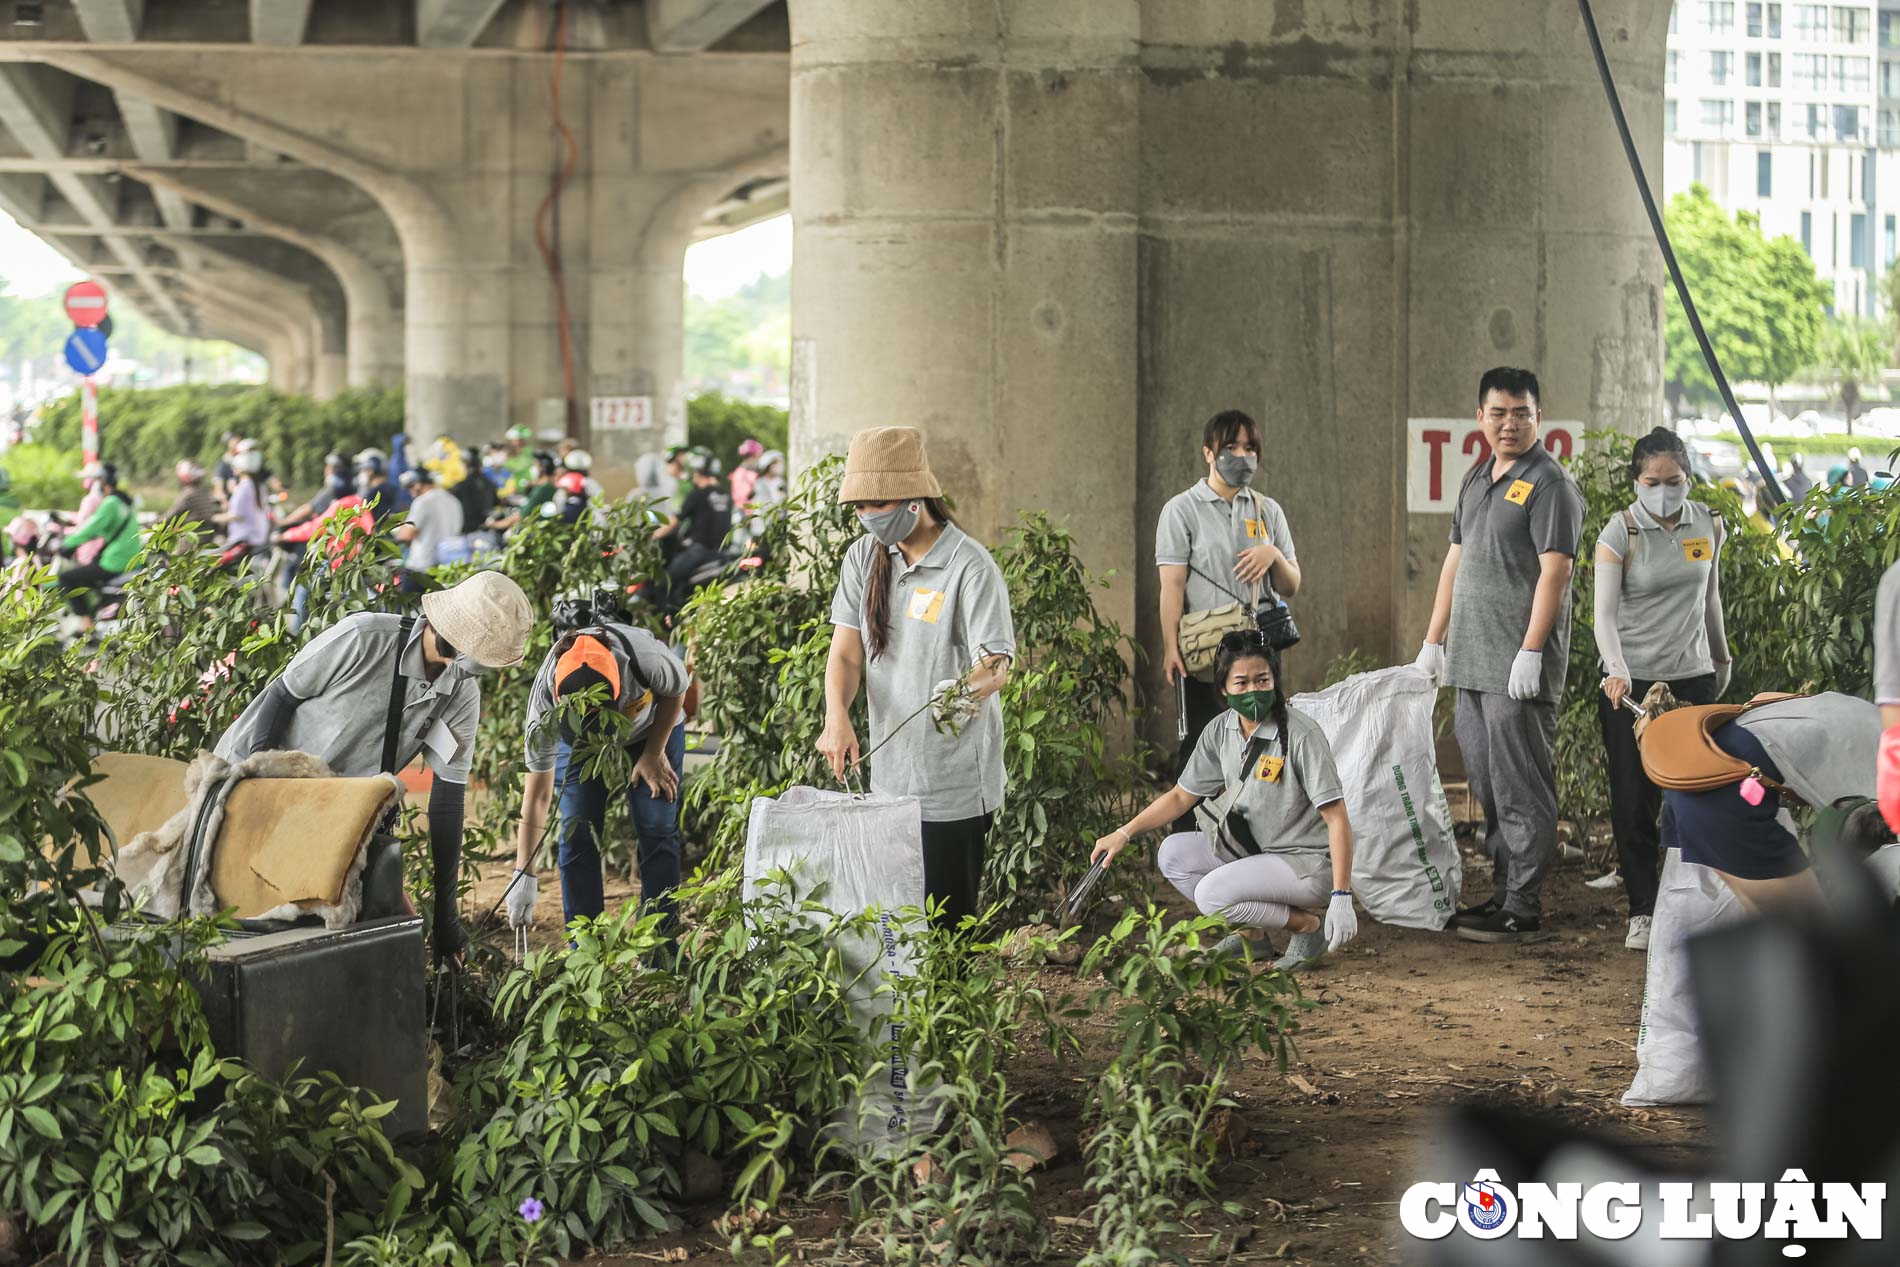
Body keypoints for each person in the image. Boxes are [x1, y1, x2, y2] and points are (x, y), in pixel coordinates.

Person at [213, 571, 534, 959]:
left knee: (349, 932)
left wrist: (447, 918)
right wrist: (260, 788)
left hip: (329, 814)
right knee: (248, 926)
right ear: (454, 637)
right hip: (255, 783)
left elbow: (447, 802)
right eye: (480, 656)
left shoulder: (461, 693)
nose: (478, 669)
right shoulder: (363, 638)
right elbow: (282, 696)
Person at [818, 426, 1017, 929]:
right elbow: (845, 653)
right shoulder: (864, 558)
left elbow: (997, 665)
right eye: (859, 507)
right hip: (889, 780)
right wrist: (836, 717)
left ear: (915, 497)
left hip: (951, 783)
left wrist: (958, 694)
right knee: (896, 923)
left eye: (877, 503)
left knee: (949, 927)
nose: (867, 517)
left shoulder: (969, 567)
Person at [1415, 367, 1584, 944]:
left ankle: (1525, 905)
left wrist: (1531, 651)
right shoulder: (1476, 477)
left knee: (1521, 787)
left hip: (1518, 667)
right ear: (1480, 418)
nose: (1509, 423)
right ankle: (1506, 891)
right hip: (1471, 661)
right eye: (1498, 412)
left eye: (1521, 413)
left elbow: (1555, 572)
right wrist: (1433, 641)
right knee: (1487, 786)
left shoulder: (1550, 485)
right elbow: (1454, 563)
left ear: (1540, 418)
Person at [1090, 632, 1358, 970]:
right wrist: (1124, 833)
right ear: (1223, 689)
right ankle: (1252, 937)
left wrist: (1341, 896)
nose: (1253, 691)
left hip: (1308, 864)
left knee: (1211, 895)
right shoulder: (1220, 730)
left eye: (1262, 680)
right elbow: (1180, 796)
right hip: (1257, 851)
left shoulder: (1302, 735)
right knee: (1173, 855)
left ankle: (1307, 928)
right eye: (1241, 683)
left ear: (1275, 680)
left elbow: (1337, 819)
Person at [1591, 427, 1732, 951]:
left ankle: (1695, 897)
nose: (1664, 490)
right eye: (1653, 481)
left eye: (1674, 480)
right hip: (1630, 683)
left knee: (1695, 791)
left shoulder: (1708, 523)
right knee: (1633, 797)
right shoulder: (1619, 533)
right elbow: (1603, 617)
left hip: (1692, 674)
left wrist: (1720, 657)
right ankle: (1643, 909)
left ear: (1689, 478)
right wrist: (1617, 666)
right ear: (1636, 481)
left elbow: (1710, 598)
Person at [1155, 409, 1301, 827]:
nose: (1242, 455)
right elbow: (1172, 587)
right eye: (1231, 447)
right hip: (1205, 655)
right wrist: (1171, 647)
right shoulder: (1182, 510)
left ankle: (1257, 834)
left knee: (1266, 740)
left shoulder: (1267, 510)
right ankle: (1188, 840)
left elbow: (1291, 585)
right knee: (1201, 744)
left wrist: (1271, 554)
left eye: (1250, 447)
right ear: (1209, 453)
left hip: (1259, 653)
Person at [504, 619, 691, 935]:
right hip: (579, 748)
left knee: (657, 826)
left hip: (652, 729)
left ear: (618, 691)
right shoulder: (544, 702)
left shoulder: (643, 657)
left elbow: (677, 689)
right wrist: (524, 872)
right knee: (578, 830)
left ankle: (661, 949)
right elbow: (537, 794)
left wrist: (653, 752)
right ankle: (586, 948)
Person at [1657, 693, 1880, 912]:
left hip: (1691, 776)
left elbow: (1763, 697)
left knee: (1783, 931)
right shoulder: (1884, 749)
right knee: (1818, 931)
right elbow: (1855, 826)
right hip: (1726, 793)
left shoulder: (1856, 713)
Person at [55, 463, 139, 625]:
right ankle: (98, 614)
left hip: (115, 561)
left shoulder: (110, 503)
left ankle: (86, 624)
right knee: (86, 577)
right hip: (130, 559)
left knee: (67, 578)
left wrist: (67, 544)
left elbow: (91, 527)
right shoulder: (123, 502)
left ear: (102, 483)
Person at [653, 453, 733, 613]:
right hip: (722, 553)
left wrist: (654, 535)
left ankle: (667, 621)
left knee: (664, 583)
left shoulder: (697, 494)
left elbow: (675, 521)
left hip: (699, 551)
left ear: (698, 473)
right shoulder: (725, 495)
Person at [395, 466, 464, 592]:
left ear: (418, 484)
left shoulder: (422, 502)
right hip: (446, 567)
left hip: (421, 566)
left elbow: (405, 536)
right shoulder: (453, 500)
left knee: (403, 609)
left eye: (411, 487)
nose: (410, 492)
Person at [157, 460, 220, 538]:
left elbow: (172, 515)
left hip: (193, 537)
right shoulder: (204, 491)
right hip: (207, 534)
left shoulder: (189, 494)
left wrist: (153, 523)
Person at [71, 460, 109, 567]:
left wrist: (63, 530)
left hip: (90, 550)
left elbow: (82, 525)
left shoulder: (90, 499)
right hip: (104, 547)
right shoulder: (109, 498)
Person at [355, 450, 404, 524]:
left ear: (371, 470)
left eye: (364, 470)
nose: (361, 473)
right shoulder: (393, 488)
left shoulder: (372, 495)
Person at [730, 437, 765, 508]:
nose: (759, 460)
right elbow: (743, 500)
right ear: (751, 457)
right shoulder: (742, 475)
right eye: (758, 457)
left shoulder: (752, 473)